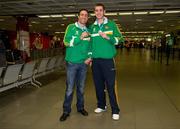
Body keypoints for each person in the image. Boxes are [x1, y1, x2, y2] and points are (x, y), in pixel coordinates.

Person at [90, 3, 124, 120]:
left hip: (108, 61)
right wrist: (90, 56)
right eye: (96, 10)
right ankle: (101, 105)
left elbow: (120, 39)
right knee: (98, 85)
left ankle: (115, 110)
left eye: (100, 10)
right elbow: (90, 44)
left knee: (110, 86)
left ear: (104, 12)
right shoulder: (92, 27)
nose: (98, 12)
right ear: (94, 12)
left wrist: (108, 37)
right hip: (95, 62)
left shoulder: (112, 24)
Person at [59, 9, 91, 122]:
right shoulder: (71, 27)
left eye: (86, 15)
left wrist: (90, 57)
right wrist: (80, 37)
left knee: (81, 89)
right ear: (78, 16)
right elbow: (66, 42)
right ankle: (66, 111)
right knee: (69, 89)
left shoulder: (89, 30)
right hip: (72, 63)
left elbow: (90, 47)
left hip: (83, 64)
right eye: (82, 15)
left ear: (88, 18)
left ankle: (80, 107)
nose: (84, 17)